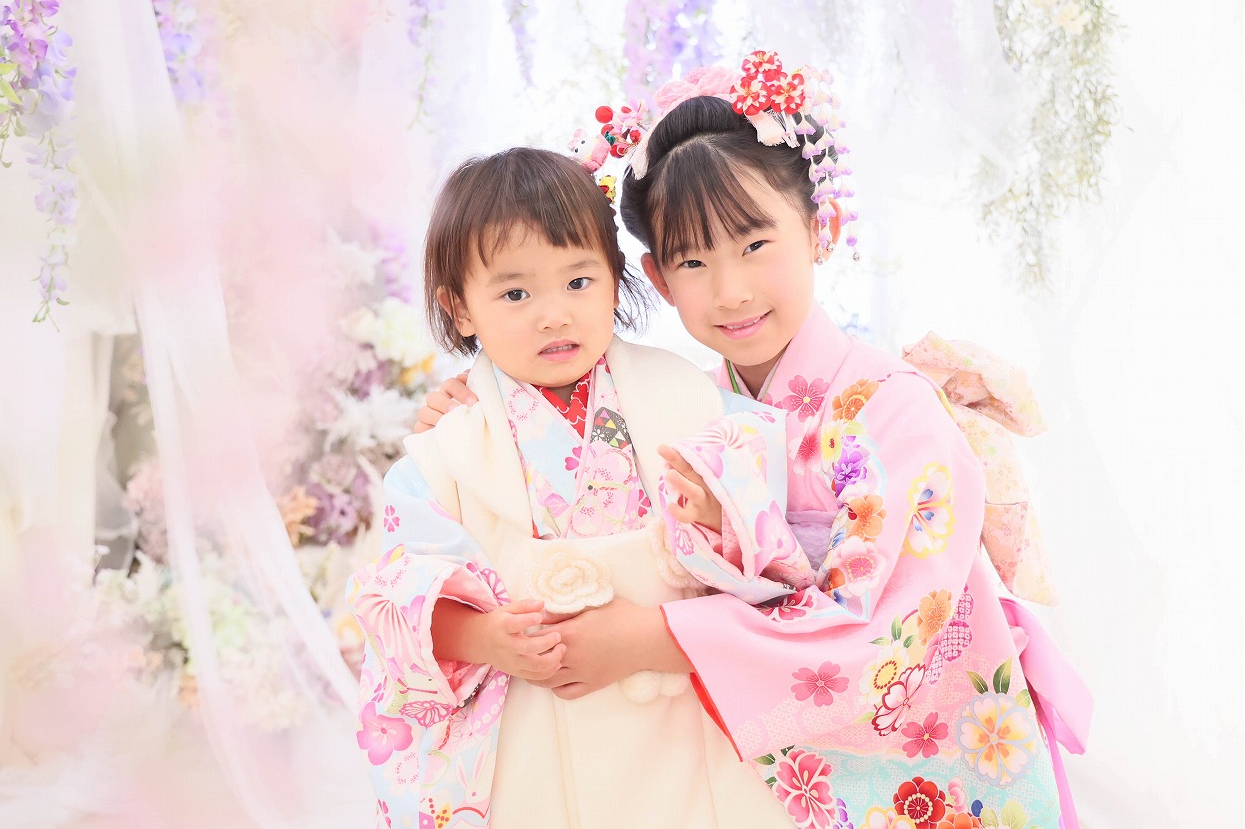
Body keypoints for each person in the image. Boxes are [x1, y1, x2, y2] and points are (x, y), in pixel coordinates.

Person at [414, 52, 1091, 829]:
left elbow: (884, 634)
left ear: (820, 230)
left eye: (755, 244)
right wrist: (481, 415)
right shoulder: (687, 405)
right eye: (693, 260)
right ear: (658, 280)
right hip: (769, 782)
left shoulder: (895, 410)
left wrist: (658, 638)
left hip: (929, 760)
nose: (730, 289)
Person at [346, 146, 798, 828]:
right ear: (459, 307)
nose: (553, 314)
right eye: (515, 294)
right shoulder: (441, 456)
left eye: (579, 281)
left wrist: (720, 511)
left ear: (615, 280)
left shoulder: (694, 402)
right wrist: (483, 635)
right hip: (537, 733)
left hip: (686, 725)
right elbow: (399, 599)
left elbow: (777, 551)